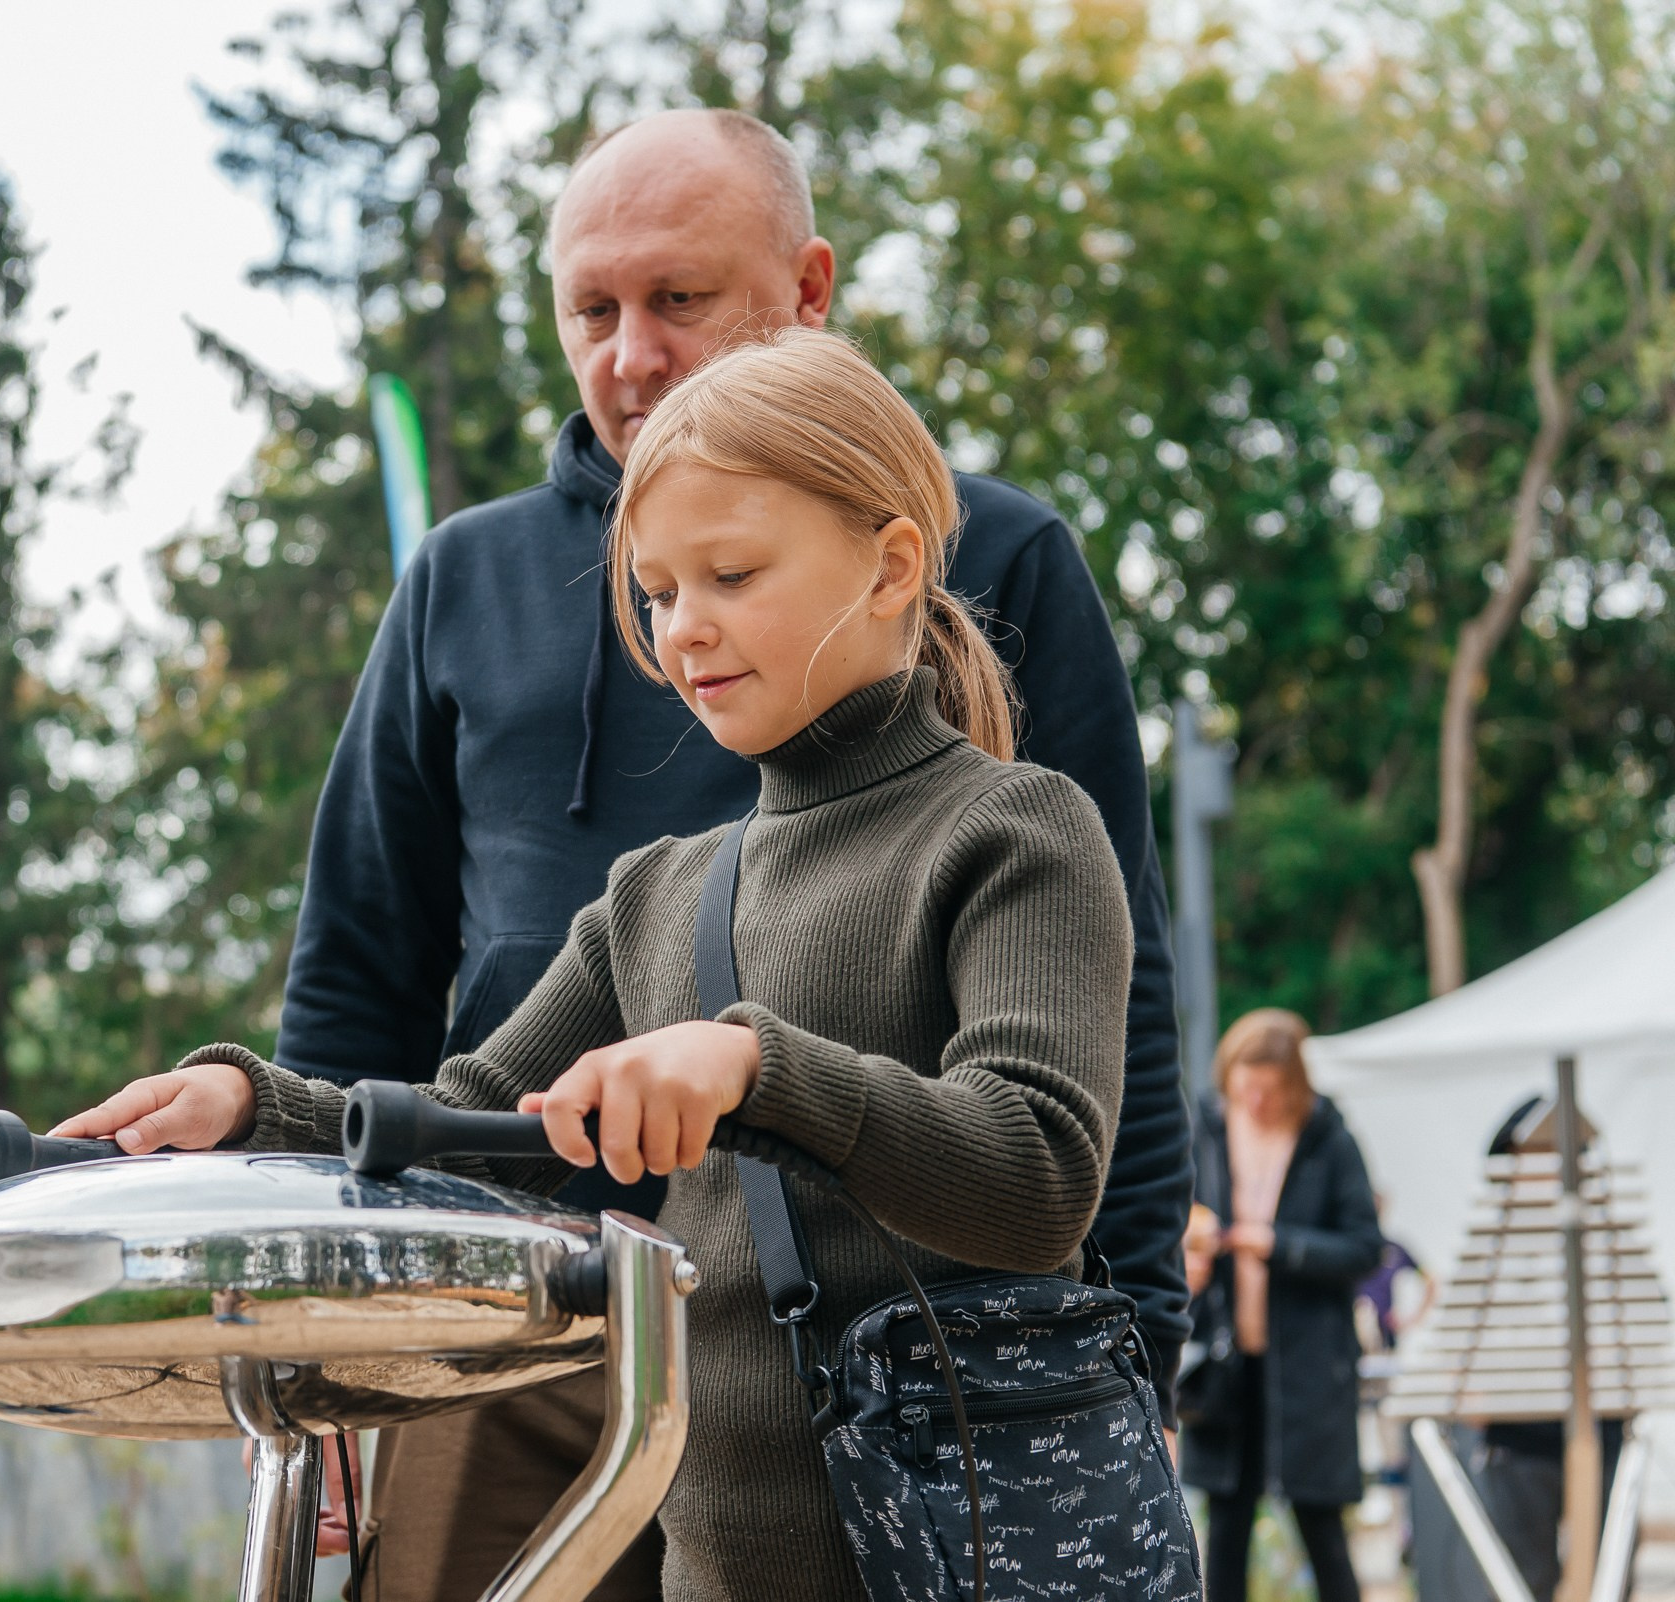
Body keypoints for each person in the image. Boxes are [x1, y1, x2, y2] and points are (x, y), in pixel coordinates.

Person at [54, 326, 1163, 1601]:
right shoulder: (658, 894)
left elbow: (1036, 1180)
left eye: (733, 574)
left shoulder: (1018, 828)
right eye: (657, 589)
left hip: (975, 1565)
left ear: (892, 565)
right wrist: (264, 1108)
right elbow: (475, 1129)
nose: (685, 630)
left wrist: (755, 1067)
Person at [272, 105, 1193, 1594]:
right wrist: (278, 1186)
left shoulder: (1002, 585)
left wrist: (1130, 1337)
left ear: (806, 289)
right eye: (592, 308)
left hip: (901, 1362)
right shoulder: (476, 599)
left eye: (679, 299)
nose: (630, 352)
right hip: (520, 1324)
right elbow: (380, 999)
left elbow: (1101, 1030)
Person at [1184, 1009, 1384, 1602]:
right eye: (1245, 1089)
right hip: (1225, 1365)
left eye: (1269, 1092)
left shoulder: (1329, 1139)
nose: (1256, 1103)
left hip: (1308, 1367)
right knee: (1225, 1530)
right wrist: (1192, 1251)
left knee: (1321, 1526)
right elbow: (1175, 1217)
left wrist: (1275, 1244)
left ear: (1294, 1085)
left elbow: (1364, 1247)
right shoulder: (1208, 1130)